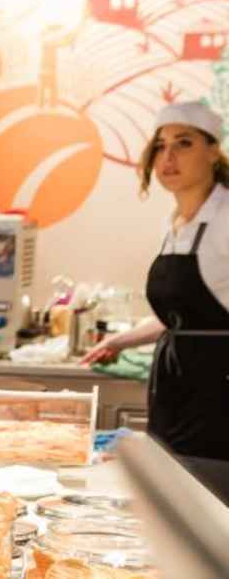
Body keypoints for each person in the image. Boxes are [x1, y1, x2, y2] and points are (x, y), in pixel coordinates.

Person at [82, 102, 229, 470]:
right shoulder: (174, 225)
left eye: (183, 143)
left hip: (219, 395)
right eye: (160, 146)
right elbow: (184, 318)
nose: (168, 156)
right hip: (176, 391)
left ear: (213, 151)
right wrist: (119, 341)